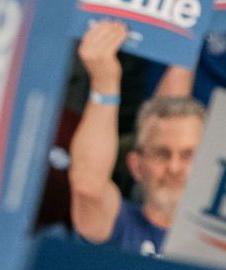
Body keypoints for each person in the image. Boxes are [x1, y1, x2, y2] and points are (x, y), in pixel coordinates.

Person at [68, 22, 203, 255]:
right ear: (136, 166)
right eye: (161, 154)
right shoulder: (123, 226)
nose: (174, 167)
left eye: (188, 155)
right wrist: (105, 83)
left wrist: (191, 37)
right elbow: (87, 187)